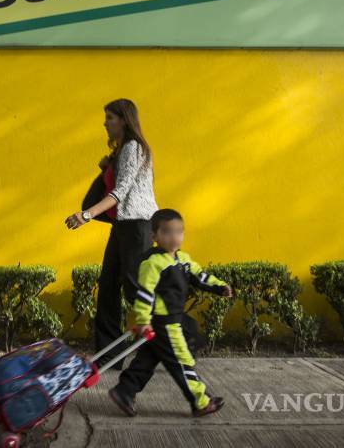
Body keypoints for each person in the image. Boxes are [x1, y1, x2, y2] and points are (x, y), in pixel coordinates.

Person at [108, 208, 232, 418]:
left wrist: (219, 287)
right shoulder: (153, 263)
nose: (174, 237)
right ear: (154, 236)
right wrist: (143, 320)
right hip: (163, 323)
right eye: (167, 232)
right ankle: (201, 401)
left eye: (178, 231)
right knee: (181, 361)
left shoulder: (183, 259)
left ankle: (125, 390)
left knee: (148, 358)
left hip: (170, 320)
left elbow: (200, 277)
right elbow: (145, 293)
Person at [65, 98, 158, 367]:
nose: (105, 123)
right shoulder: (120, 152)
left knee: (134, 289)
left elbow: (121, 193)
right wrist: (106, 167)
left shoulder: (134, 148)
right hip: (122, 226)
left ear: (124, 120)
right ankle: (110, 355)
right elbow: (113, 188)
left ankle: (176, 339)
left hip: (138, 225)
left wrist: (86, 215)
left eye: (110, 118)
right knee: (107, 287)